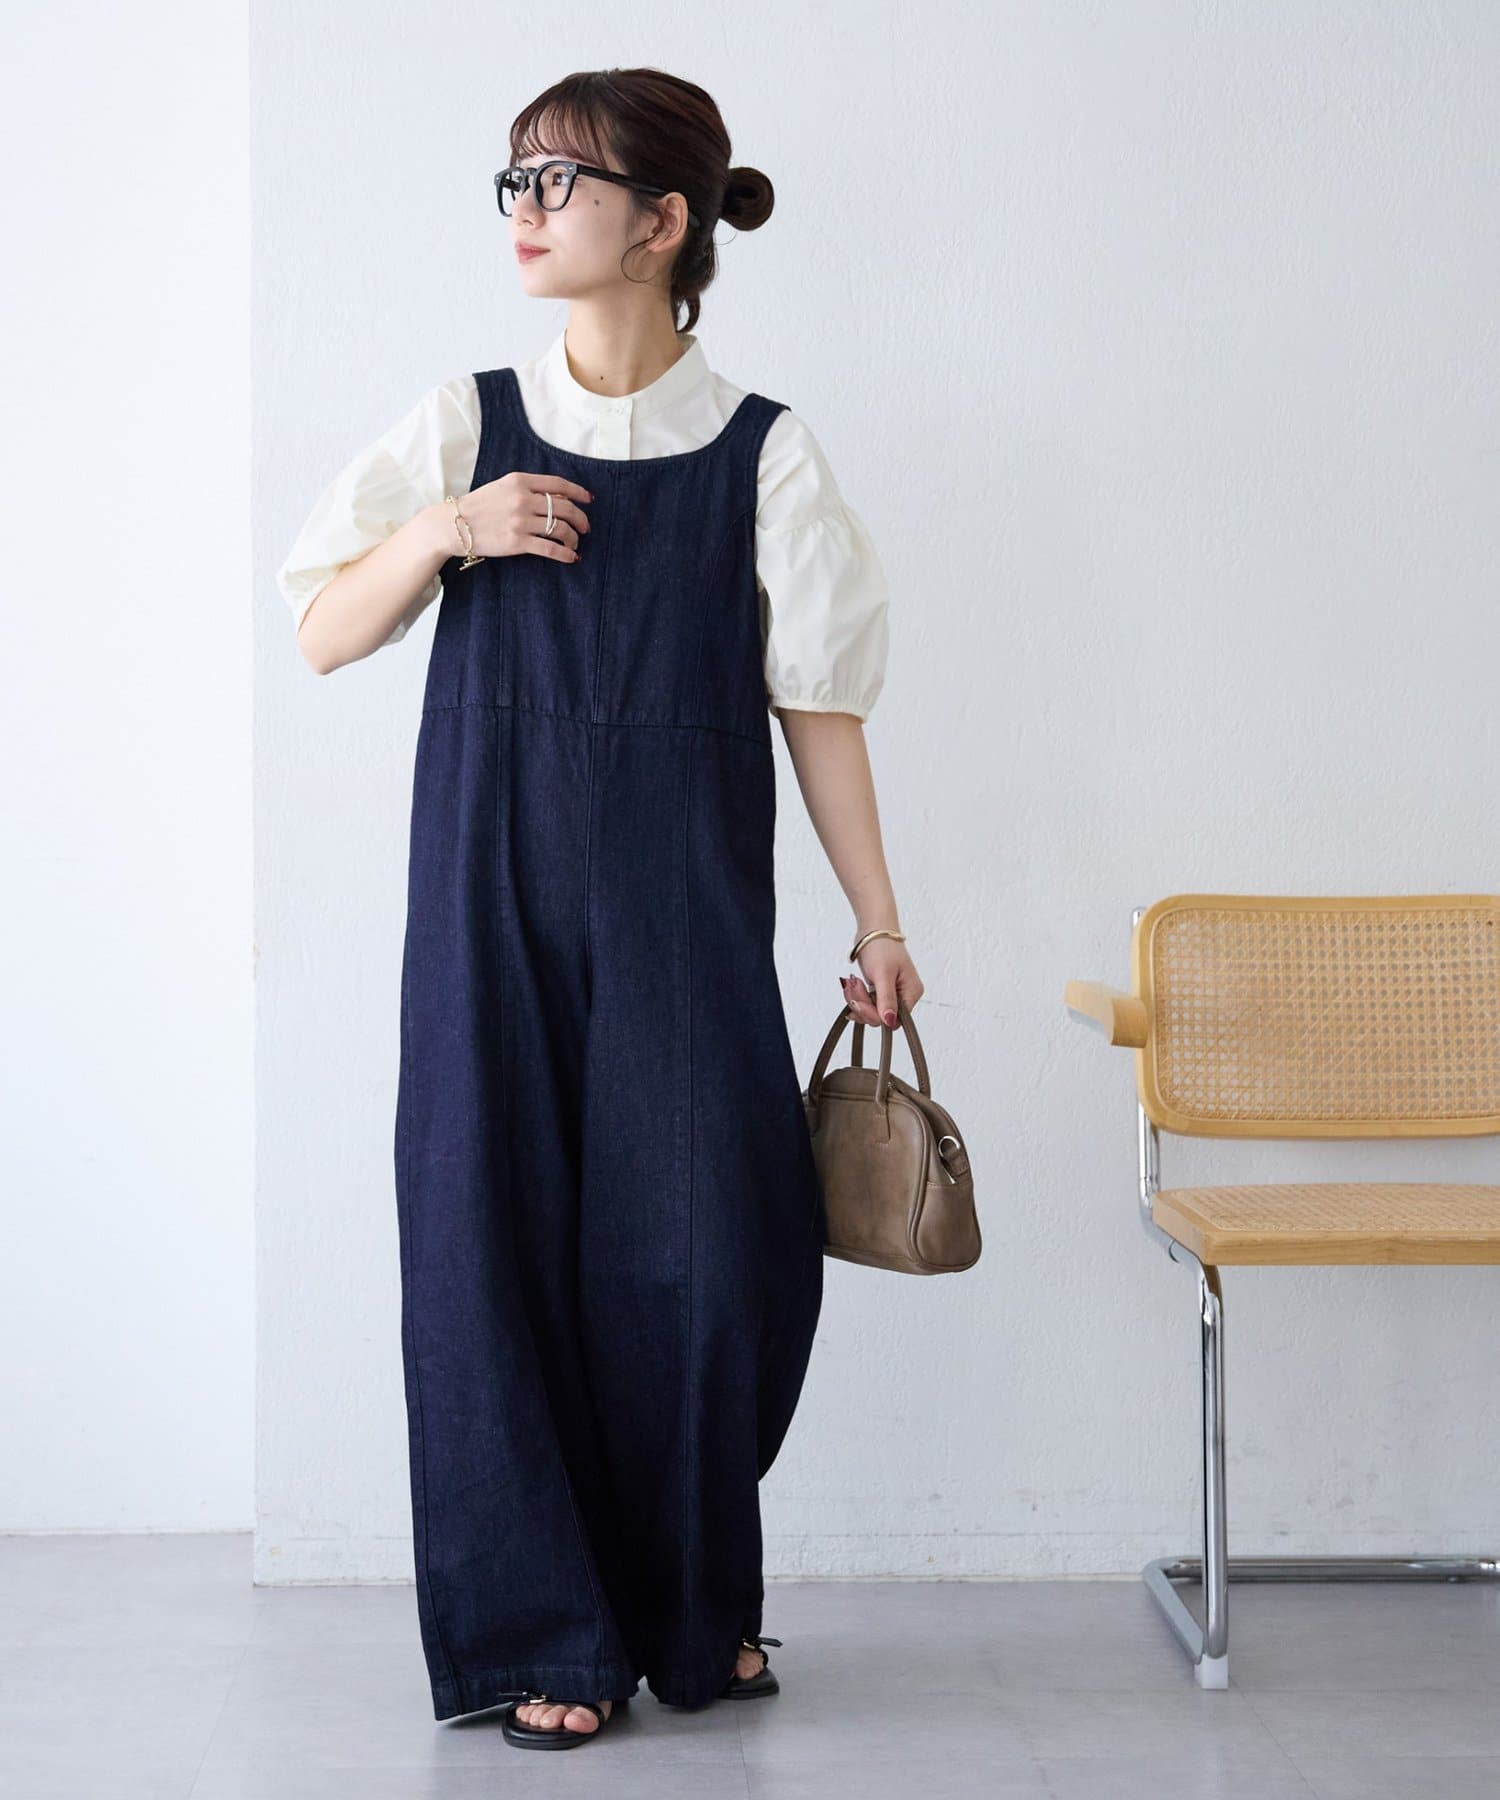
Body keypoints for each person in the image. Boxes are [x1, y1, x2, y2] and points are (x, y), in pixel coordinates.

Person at [276, 66, 923, 1750]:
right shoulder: (467, 424)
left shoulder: (766, 455)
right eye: (514, 180)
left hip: (683, 915)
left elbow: (821, 710)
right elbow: (322, 629)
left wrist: (877, 918)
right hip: (485, 906)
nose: (527, 209)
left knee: (710, 1254)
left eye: (561, 180)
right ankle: (547, 1636)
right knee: (484, 1239)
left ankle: (696, 1607)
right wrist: (453, 530)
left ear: (663, 223)